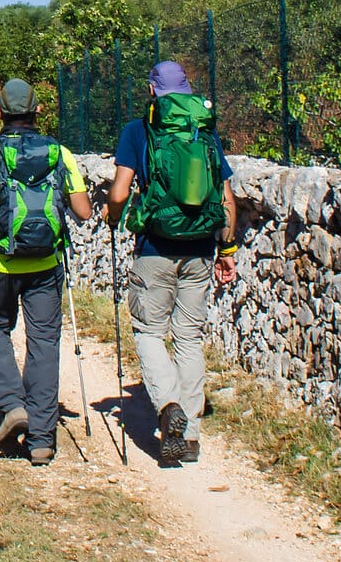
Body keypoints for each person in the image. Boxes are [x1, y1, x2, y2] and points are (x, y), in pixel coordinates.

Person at [0, 78, 93, 466]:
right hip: (45, 265)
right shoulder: (60, 154)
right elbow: (83, 211)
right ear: (38, 110)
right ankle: (42, 441)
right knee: (43, 343)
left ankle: (11, 403)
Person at [102, 61, 240, 466]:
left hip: (154, 248)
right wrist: (227, 251)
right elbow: (227, 199)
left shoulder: (138, 130)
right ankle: (192, 436)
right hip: (200, 249)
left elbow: (119, 192)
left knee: (148, 331)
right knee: (189, 338)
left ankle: (167, 407)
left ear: (152, 90)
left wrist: (114, 220)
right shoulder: (206, 132)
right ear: (188, 89)